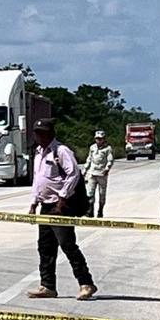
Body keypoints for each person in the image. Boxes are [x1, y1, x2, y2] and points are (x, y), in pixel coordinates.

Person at [27, 118, 97, 301]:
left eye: (42, 133)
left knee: (68, 245)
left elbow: (73, 173)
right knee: (45, 247)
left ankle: (86, 283)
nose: (39, 136)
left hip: (60, 207)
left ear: (51, 133)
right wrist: (34, 203)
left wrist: (63, 198)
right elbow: (38, 179)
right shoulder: (39, 153)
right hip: (45, 206)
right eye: (36, 133)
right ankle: (47, 286)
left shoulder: (61, 151)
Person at [82, 129, 114, 218]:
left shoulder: (107, 149)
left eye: (100, 139)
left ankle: (100, 210)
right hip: (92, 173)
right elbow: (89, 159)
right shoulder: (92, 147)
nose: (98, 140)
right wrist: (85, 170)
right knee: (90, 193)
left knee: (101, 194)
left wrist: (107, 168)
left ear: (104, 139)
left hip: (102, 174)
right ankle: (90, 211)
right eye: (97, 139)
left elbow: (110, 160)